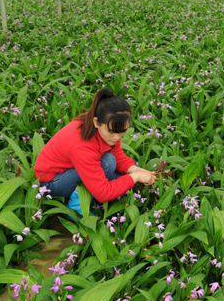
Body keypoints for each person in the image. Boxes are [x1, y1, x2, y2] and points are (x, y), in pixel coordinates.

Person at [34, 88, 157, 216]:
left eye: (122, 131)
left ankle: (86, 192)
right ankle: (76, 206)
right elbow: (103, 193)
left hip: (74, 169)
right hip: (51, 183)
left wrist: (136, 170)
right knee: (108, 163)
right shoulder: (81, 145)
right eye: (112, 131)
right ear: (96, 122)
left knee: (128, 184)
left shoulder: (103, 128)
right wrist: (135, 177)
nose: (116, 137)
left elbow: (117, 154)